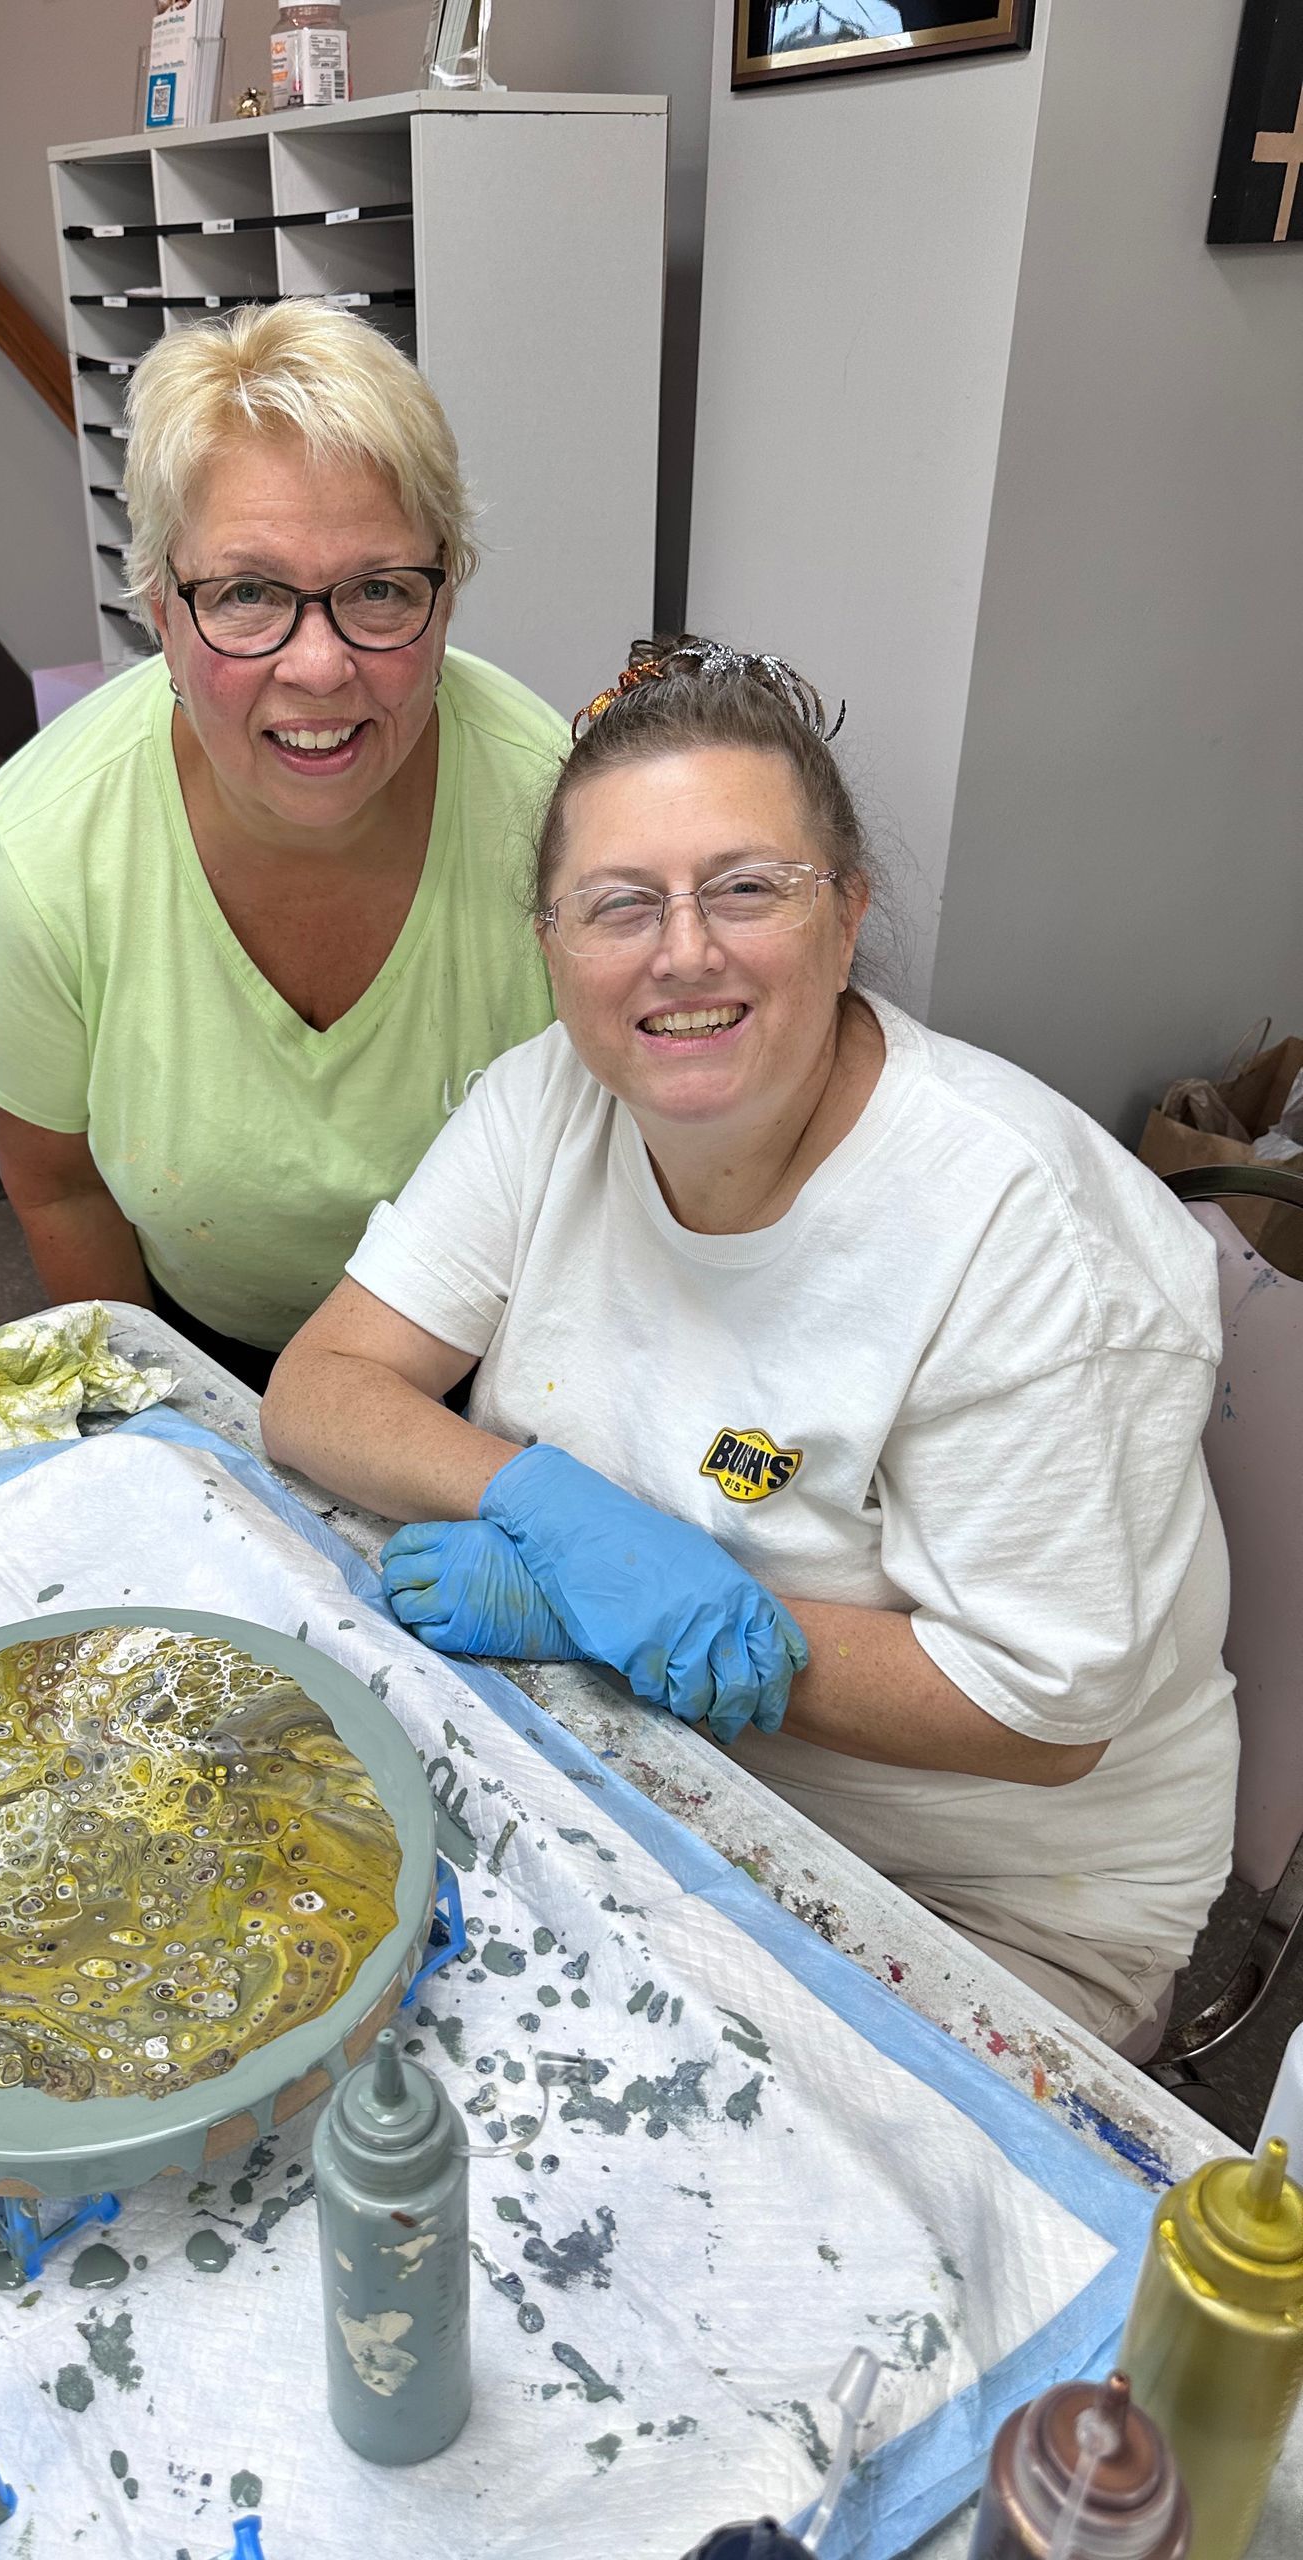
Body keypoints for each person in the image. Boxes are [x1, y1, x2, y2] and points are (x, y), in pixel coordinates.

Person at [260, 637, 1237, 2051]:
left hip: (978, 1898)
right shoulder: (549, 1102)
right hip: (640, 1763)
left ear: (847, 913)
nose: (683, 951)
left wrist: (639, 1616)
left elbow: (1042, 1717)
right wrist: (545, 1509)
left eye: (746, 888)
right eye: (619, 905)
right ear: (551, 945)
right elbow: (320, 1388)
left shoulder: (1022, 1233)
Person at [0, 303, 567, 1388]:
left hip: (509, 1346)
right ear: (160, 612)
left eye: (378, 590)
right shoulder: (42, 852)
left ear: (446, 594)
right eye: (248, 594)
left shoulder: (554, 811)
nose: (318, 667)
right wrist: (166, 1428)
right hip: (204, 1346)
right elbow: (60, 1189)